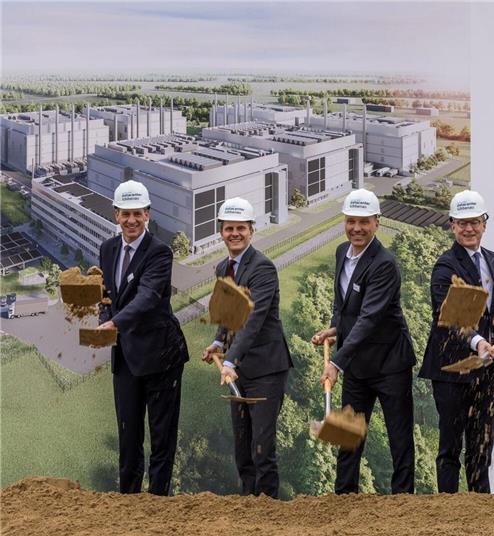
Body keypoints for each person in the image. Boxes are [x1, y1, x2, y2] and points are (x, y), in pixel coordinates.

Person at [311, 189, 416, 494]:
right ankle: (344, 497)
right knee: (348, 435)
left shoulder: (384, 265)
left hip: (389, 364)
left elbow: (369, 319)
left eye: (364, 222)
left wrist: (335, 363)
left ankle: (403, 502)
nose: (356, 228)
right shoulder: (342, 252)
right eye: (351, 221)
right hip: (358, 364)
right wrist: (334, 328)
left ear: (376, 223)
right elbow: (344, 305)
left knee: (399, 438)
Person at [418, 190, 494, 493]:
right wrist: (477, 342)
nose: (468, 229)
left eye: (474, 222)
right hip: (452, 370)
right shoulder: (445, 267)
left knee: (481, 444)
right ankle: (449, 512)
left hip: (485, 369)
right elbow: (449, 318)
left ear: (484, 223)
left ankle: (481, 508)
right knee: (450, 446)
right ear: (452, 226)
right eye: (461, 223)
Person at [97, 179, 188, 495]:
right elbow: (107, 295)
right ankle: (128, 504)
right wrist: (102, 319)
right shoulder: (107, 249)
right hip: (125, 358)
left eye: (138, 213)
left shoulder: (160, 252)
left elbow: (148, 296)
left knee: (161, 437)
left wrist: (114, 324)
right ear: (115, 215)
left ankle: (157, 507)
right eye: (125, 214)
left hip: (161, 356)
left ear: (148, 214)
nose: (131, 220)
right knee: (128, 435)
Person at [201, 197, 292, 499]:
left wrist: (231, 361)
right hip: (238, 371)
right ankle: (247, 509)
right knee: (243, 450)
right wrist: (218, 342)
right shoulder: (222, 267)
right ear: (221, 232)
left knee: (261, 448)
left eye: (241, 228)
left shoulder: (263, 269)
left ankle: (268, 514)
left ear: (252, 230)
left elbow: (252, 319)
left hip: (265, 370)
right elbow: (229, 314)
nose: (235, 233)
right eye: (229, 228)